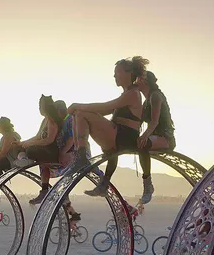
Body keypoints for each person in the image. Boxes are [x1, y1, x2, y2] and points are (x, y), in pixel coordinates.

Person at [67, 56, 148, 198]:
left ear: (129, 74)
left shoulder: (133, 94)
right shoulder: (126, 94)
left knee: (80, 113)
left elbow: (107, 106)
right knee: (78, 114)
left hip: (124, 137)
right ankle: (80, 154)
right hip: (117, 136)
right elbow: (103, 111)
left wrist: (77, 105)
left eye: (117, 73)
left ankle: (81, 155)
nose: (114, 76)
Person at [135, 70, 176, 204]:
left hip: (165, 137)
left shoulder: (156, 96)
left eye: (138, 79)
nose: (135, 82)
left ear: (145, 81)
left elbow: (154, 121)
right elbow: (137, 121)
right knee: (137, 143)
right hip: (153, 136)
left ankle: (148, 184)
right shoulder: (146, 102)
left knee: (143, 144)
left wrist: (144, 136)